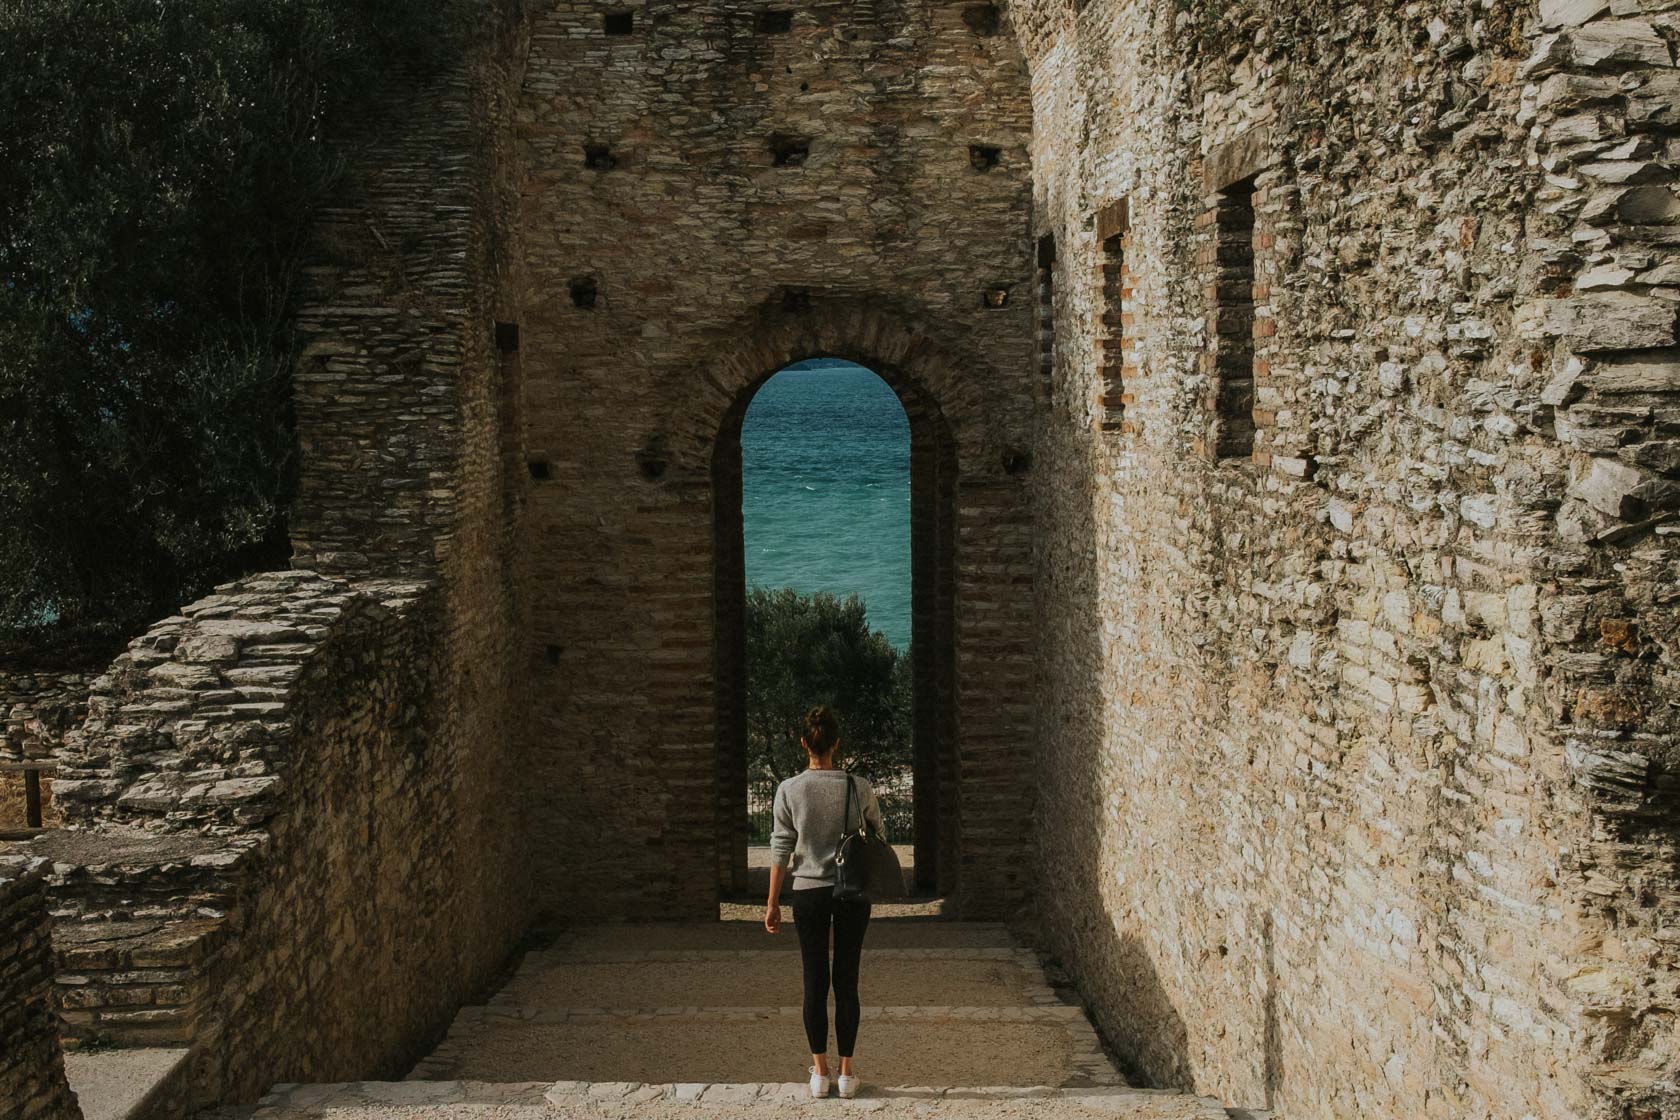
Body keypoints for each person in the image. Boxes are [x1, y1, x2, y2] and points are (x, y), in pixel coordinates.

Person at [764, 705, 885, 1100]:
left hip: (808, 893)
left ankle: (819, 1073)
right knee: (847, 981)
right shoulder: (858, 786)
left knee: (813, 982)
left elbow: (781, 848)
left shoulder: (789, 789)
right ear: (836, 743)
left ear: (804, 744)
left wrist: (772, 903)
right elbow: (878, 834)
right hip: (851, 893)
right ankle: (847, 1075)